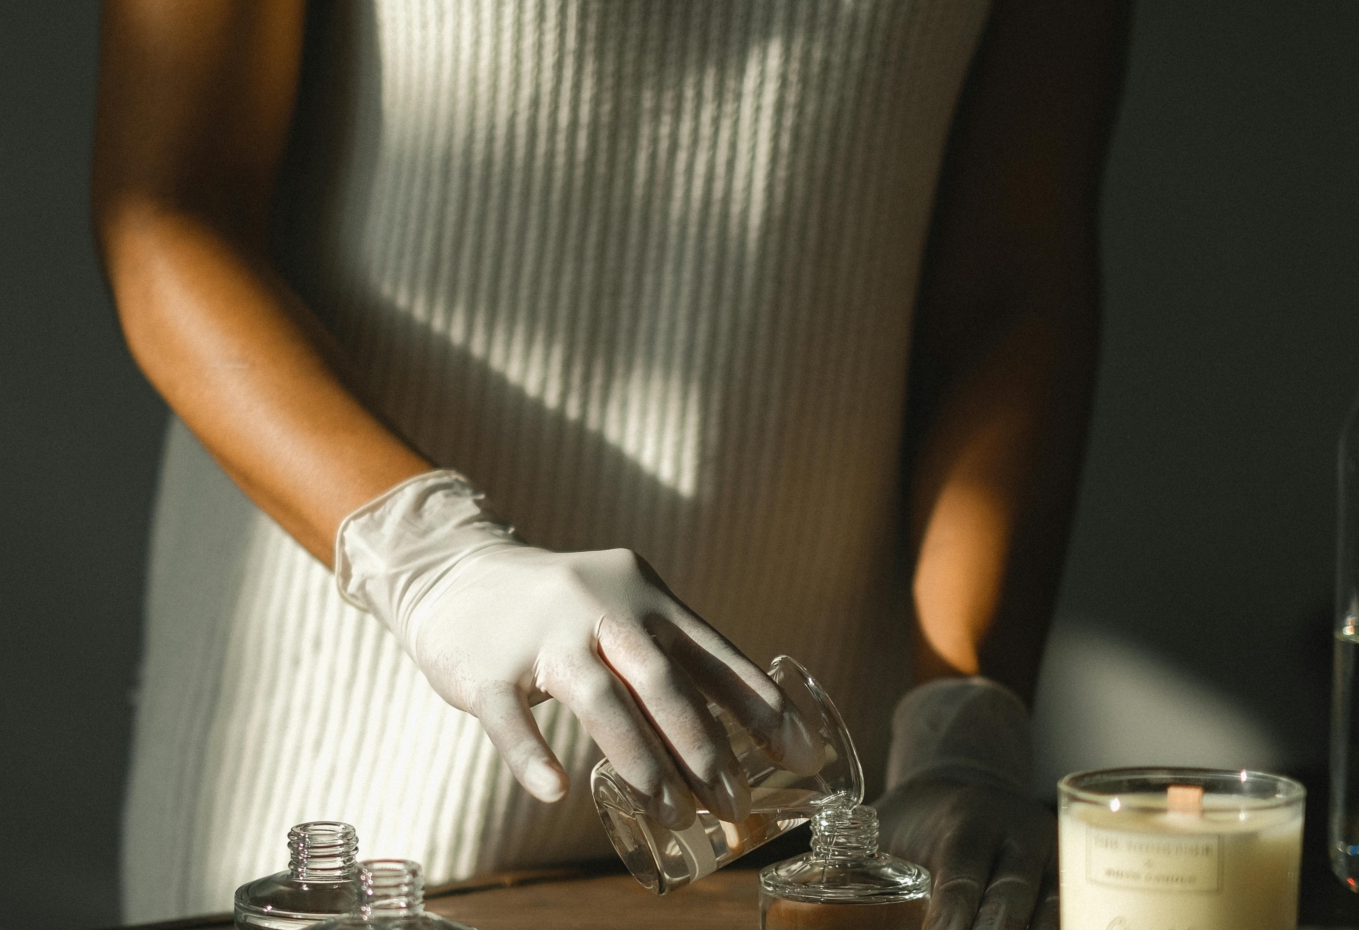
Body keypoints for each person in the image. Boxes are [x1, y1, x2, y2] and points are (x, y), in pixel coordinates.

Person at [91, 1, 1127, 928]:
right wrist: (430, 556)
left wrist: (960, 721)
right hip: (352, 778)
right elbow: (170, 209)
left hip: (804, 827)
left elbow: (1009, 285)